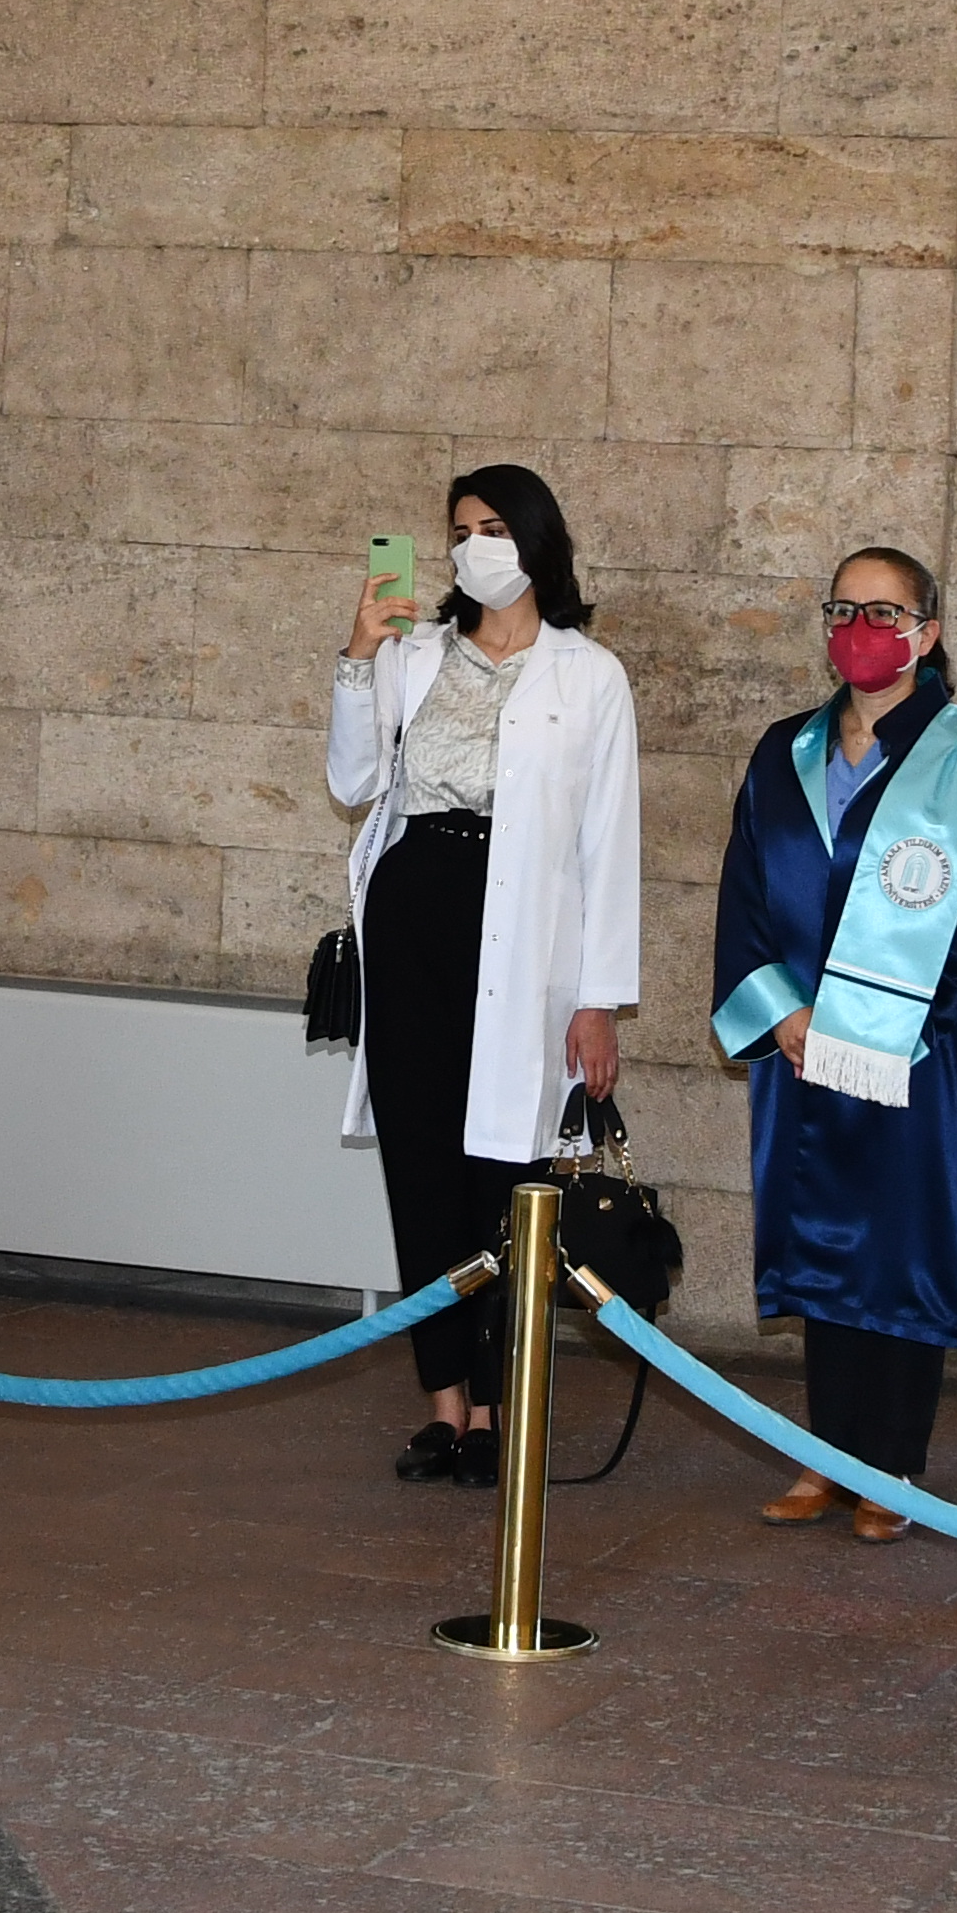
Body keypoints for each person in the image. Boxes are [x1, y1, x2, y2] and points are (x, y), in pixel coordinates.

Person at [711, 548, 957, 1542]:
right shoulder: (784, 750)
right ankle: (826, 1454)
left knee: (900, 1247)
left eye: (885, 610)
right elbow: (744, 897)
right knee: (823, 1247)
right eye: (844, 607)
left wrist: (904, 1029)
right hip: (804, 1047)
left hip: (917, 1053)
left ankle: (891, 1465)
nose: (861, 625)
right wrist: (785, 1016)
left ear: (927, 631)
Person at [331, 467, 642, 1485]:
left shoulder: (588, 673)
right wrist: (358, 656)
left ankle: (505, 1411)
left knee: (506, 1178)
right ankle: (445, 1409)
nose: (475, 547)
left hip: (525, 937)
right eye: (461, 530)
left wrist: (598, 997)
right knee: (419, 1165)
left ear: (537, 540)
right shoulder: (417, 656)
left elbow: (608, 845)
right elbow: (353, 779)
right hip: (416, 911)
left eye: (496, 527)